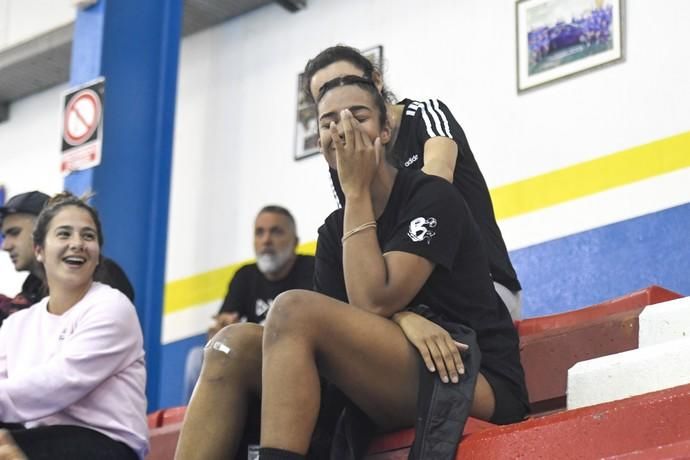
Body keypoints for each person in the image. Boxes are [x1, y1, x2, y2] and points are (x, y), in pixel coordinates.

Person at [175, 77, 527, 460]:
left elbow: (374, 301)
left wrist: (356, 190)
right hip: (391, 373)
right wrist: (405, 319)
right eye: (327, 123)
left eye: (358, 116)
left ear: (387, 130)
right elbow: (348, 327)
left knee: (293, 309)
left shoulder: (432, 195)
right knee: (231, 345)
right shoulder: (332, 231)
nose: (342, 129)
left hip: (468, 372)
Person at [302, 44, 523, 320]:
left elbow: (436, 185)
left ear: (376, 81)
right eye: (326, 94)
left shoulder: (424, 114)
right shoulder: (343, 163)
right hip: (408, 297)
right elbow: (363, 241)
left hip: (479, 286)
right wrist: (401, 316)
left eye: (350, 83)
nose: (343, 115)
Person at [0, 192, 148, 459]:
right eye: (64, 234)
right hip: (42, 442)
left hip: (102, 446)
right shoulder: (17, 325)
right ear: (40, 250)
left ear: (98, 253)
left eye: (88, 236)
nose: (78, 243)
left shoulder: (112, 306)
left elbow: (60, 380)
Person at [182, 205, 314, 402]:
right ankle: (192, 430)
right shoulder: (244, 276)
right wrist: (220, 330)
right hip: (254, 358)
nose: (266, 240)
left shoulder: (312, 269)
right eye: (259, 233)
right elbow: (218, 336)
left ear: (295, 242)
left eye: (276, 232)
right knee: (196, 358)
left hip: (295, 359)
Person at [0, 191, 134, 324]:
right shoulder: (32, 284)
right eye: (5, 236)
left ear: (41, 233)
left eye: (15, 233)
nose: (5, 246)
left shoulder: (105, 278)